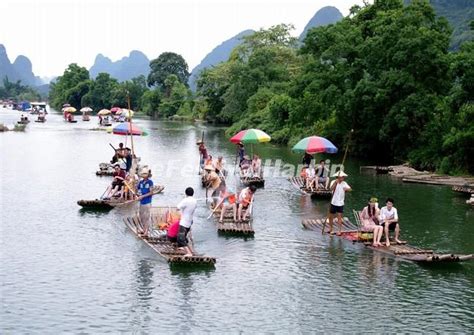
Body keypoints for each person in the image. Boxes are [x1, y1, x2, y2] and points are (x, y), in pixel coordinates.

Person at [327, 170, 352, 235]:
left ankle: (339, 230)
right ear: (338, 177)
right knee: (331, 216)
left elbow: (350, 189)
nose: (342, 178)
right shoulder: (333, 182)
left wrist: (347, 189)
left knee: (339, 217)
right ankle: (331, 229)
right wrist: (335, 183)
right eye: (341, 177)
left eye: (343, 177)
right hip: (333, 202)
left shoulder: (344, 183)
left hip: (340, 203)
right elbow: (331, 189)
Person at [177, 187, 197, 256]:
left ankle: (189, 253)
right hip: (190, 221)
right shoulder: (195, 200)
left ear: (186, 193)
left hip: (184, 221)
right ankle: (190, 250)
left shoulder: (185, 200)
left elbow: (178, 207)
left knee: (180, 238)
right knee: (184, 237)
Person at [137, 168, 154, 236]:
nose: (144, 175)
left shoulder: (150, 182)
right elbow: (137, 189)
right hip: (141, 202)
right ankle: (143, 230)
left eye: (145, 174)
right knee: (141, 216)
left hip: (147, 202)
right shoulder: (141, 182)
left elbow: (151, 192)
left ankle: (146, 232)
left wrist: (143, 196)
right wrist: (138, 195)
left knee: (146, 217)